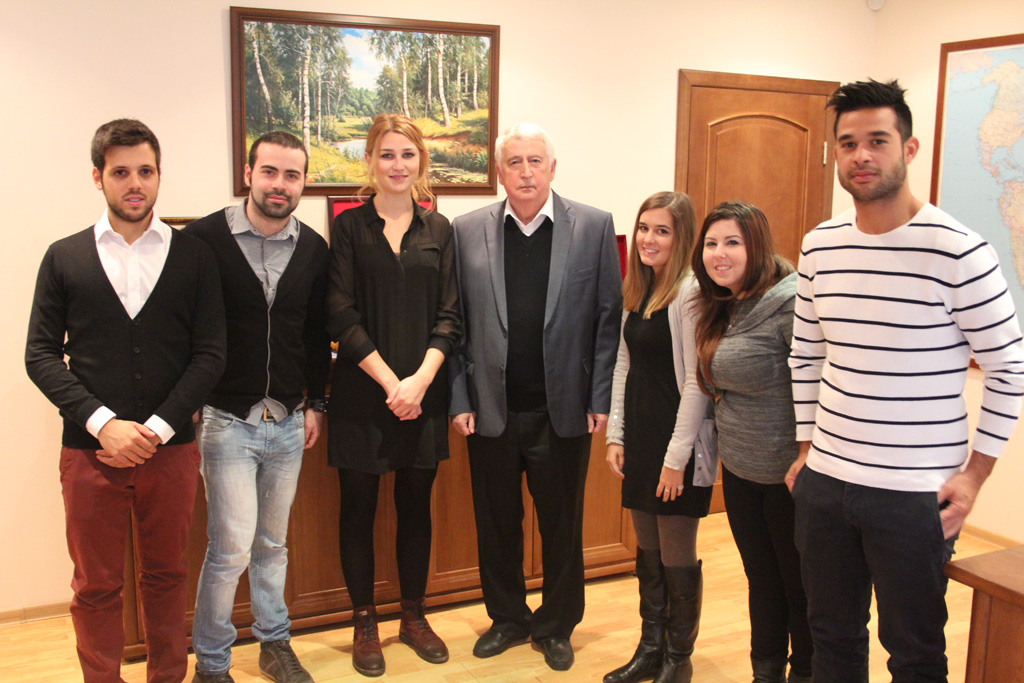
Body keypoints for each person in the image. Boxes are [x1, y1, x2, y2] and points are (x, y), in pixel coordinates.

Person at [787, 79, 1024, 682]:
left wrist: (974, 476)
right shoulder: (820, 246)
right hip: (827, 485)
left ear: (909, 148)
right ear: (835, 154)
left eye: (877, 140)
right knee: (830, 640)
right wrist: (806, 449)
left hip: (915, 495)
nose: (861, 155)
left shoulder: (960, 251)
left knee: (914, 653)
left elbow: (1008, 368)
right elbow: (805, 356)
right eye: (848, 144)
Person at [25, 119, 226, 683]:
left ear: (159, 175)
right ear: (98, 177)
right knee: (95, 585)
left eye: (145, 171)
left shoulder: (194, 257)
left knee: (167, 576)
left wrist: (157, 429)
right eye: (121, 172)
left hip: (172, 452)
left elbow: (210, 354)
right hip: (89, 454)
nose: (134, 183)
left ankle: (167, 676)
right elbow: (40, 354)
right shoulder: (64, 257)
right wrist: (104, 424)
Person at [450, 122, 622, 672]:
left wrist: (600, 396)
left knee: (561, 526)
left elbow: (607, 318)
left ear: (552, 168)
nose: (525, 172)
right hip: (490, 409)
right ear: (499, 172)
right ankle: (506, 618)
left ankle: (555, 625)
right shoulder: (466, 230)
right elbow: (453, 323)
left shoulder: (593, 226)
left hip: (563, 410)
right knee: (496, 523)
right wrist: (459, 398)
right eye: (514, 162)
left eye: (535, 161)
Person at [185, 131, 330, 683]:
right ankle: (213, 665)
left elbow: (314, 333)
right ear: (248, 174)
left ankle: (274, 643)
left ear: (303, 183)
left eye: (292, 175)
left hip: (288, 422)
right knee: (229, 550)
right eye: (269, 172)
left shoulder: (313, 248)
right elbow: (183, 327)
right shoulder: (201, 240)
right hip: (226, 421)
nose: (280, 185)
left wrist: (317, 402)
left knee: (272, 545)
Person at [327, 114, 461, 678]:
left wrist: (420, 381)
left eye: (407, 154)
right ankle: (364, 622)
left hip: (423, 396)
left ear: (421, 161)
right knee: (357, 510)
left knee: (415, 508)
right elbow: (340, 312)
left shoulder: (440, 230)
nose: (398, 165)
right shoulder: (348, 228)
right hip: (363, 396)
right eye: (386, 154)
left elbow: (451, 315)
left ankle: (413, 615)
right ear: (369, 161)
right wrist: (391, 383)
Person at [691, 202, 811, 683]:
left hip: (789, 476)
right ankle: (766, 672)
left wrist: (807, 454)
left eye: (732, 242)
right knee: (761, 579)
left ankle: (805, 673)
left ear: (756, 246)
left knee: (798, 587)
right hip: (740, 470)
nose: (718, 254)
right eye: (711, 243)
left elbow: (820, 384)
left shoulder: (791, 302)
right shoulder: (725, 301)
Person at [604, 191, 713, 683]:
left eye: (662, 231)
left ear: (682, 237)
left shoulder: (690, 293)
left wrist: (675, 460)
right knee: (647, 551)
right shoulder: (641, 289)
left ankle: (677, 658)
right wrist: (616, 433)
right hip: (642, 439)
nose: (648, 239)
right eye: (644, 228)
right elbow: (623, 364)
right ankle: (651, 647)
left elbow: (697, 382)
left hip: (678, 444)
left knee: (676, 555)